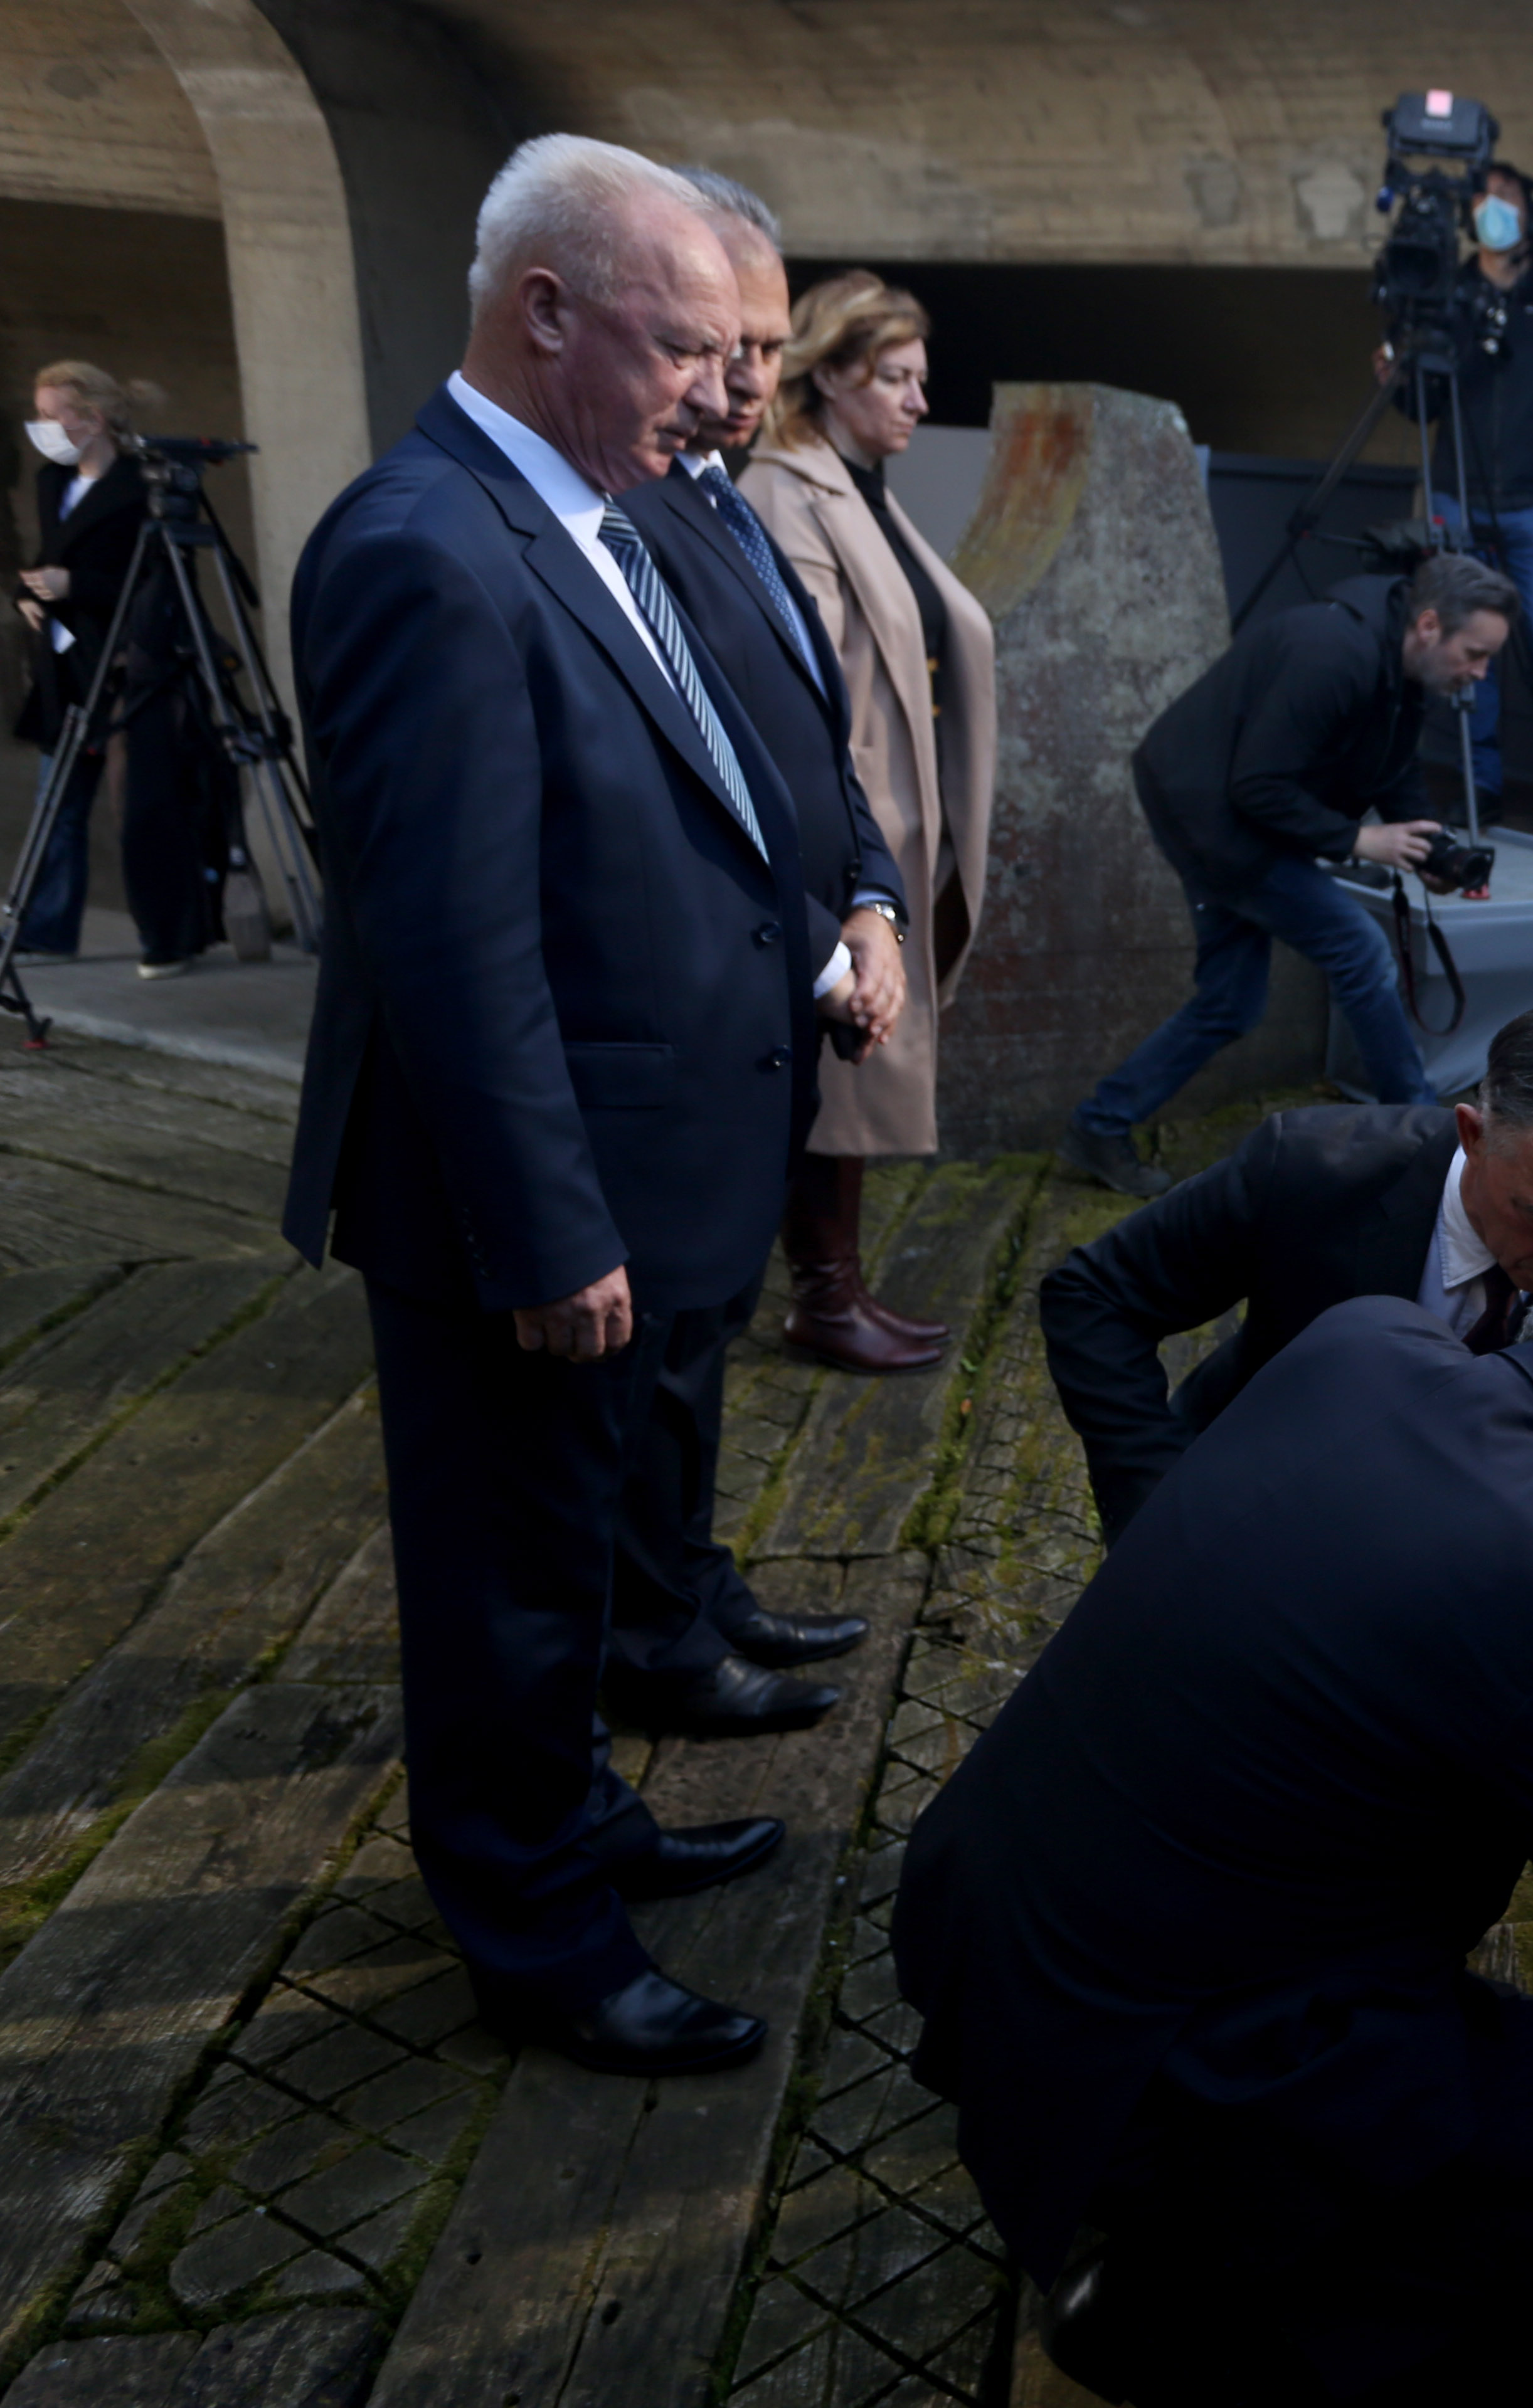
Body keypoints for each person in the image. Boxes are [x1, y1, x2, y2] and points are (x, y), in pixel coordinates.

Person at [280, 135, 876, 2077]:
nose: (719, 389)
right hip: (530, 1211)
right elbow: (451, 947)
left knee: (567, 1562)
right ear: (545, 314)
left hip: (634, 1175)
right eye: (683, 346)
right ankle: (536, 1938)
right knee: (508, 1594)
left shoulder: (590, 513)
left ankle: (578, 1823)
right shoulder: (424, 547)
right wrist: (545, 1228)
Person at [894, 1208, 1533, 2407]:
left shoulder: (1364, 1342)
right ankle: (1202, 2326)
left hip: (982, 1923)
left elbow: (1411, 1623)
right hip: (1164, 2069)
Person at [597, 166, 912, 1739]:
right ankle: (651, 1630)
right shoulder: (623, 514)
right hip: (695, 1015)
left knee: (701, 1342)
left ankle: (688, 1583)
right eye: (722, 346)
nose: (744, 378)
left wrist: (873, 903)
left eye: (767, 349)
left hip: (780, 994)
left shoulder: (716, 496)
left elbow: (808, 744)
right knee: (657, 1358)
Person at [1041, 999, 1533, 1543]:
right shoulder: (1309, 1170)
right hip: (1251, 1507)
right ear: (1474, 1137)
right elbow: (1094, 1297)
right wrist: (1157, 1510)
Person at [1057, 551, 1515, 1199]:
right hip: (1212, 815)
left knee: (1230, 1002)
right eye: (1475, 654)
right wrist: (1357, 840)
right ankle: (1424, 1139)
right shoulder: (1332, 654)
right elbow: (1257, 784)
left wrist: (1427, 847)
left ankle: (1100, 1125)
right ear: (1430, 625)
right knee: (1359, 952)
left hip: (1242, 810)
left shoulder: (1403, 665)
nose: (1480, 673)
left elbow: (1392, 767)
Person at [738, 271, 994, 1369]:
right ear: (832, 375)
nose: (917, 401)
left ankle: (835, 1287)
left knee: (857, 1054)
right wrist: (857, 860)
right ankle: (824, 1295)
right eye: (895, 377)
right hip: (848, 826)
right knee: (840, 1058)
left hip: (892, 818)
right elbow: (803, 695)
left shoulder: (858, 485)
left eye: (919, 379)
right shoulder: (785, 490)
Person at [1387, 157, 1533, 803]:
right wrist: (1397, 378)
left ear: (1532, 216)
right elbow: (1420, 408)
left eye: (1506, 198)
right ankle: (1479, 785)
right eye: (1482, 199)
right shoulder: (1444, 296)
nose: (1493, 210)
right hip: (1457, 493)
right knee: (1465, 642)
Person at [13, 365, 149, 966]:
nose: (41, 426)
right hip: (64, 658)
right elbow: (50, 554)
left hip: (116, 659)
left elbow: (153, 580)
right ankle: (48, 925)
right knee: (56, 803)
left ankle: (164, 929)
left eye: (51, 415)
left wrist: (76, 584)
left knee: (135, 805)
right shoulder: (52, 481)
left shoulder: (140, 486)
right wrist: (28, 594)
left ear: (93, 420)